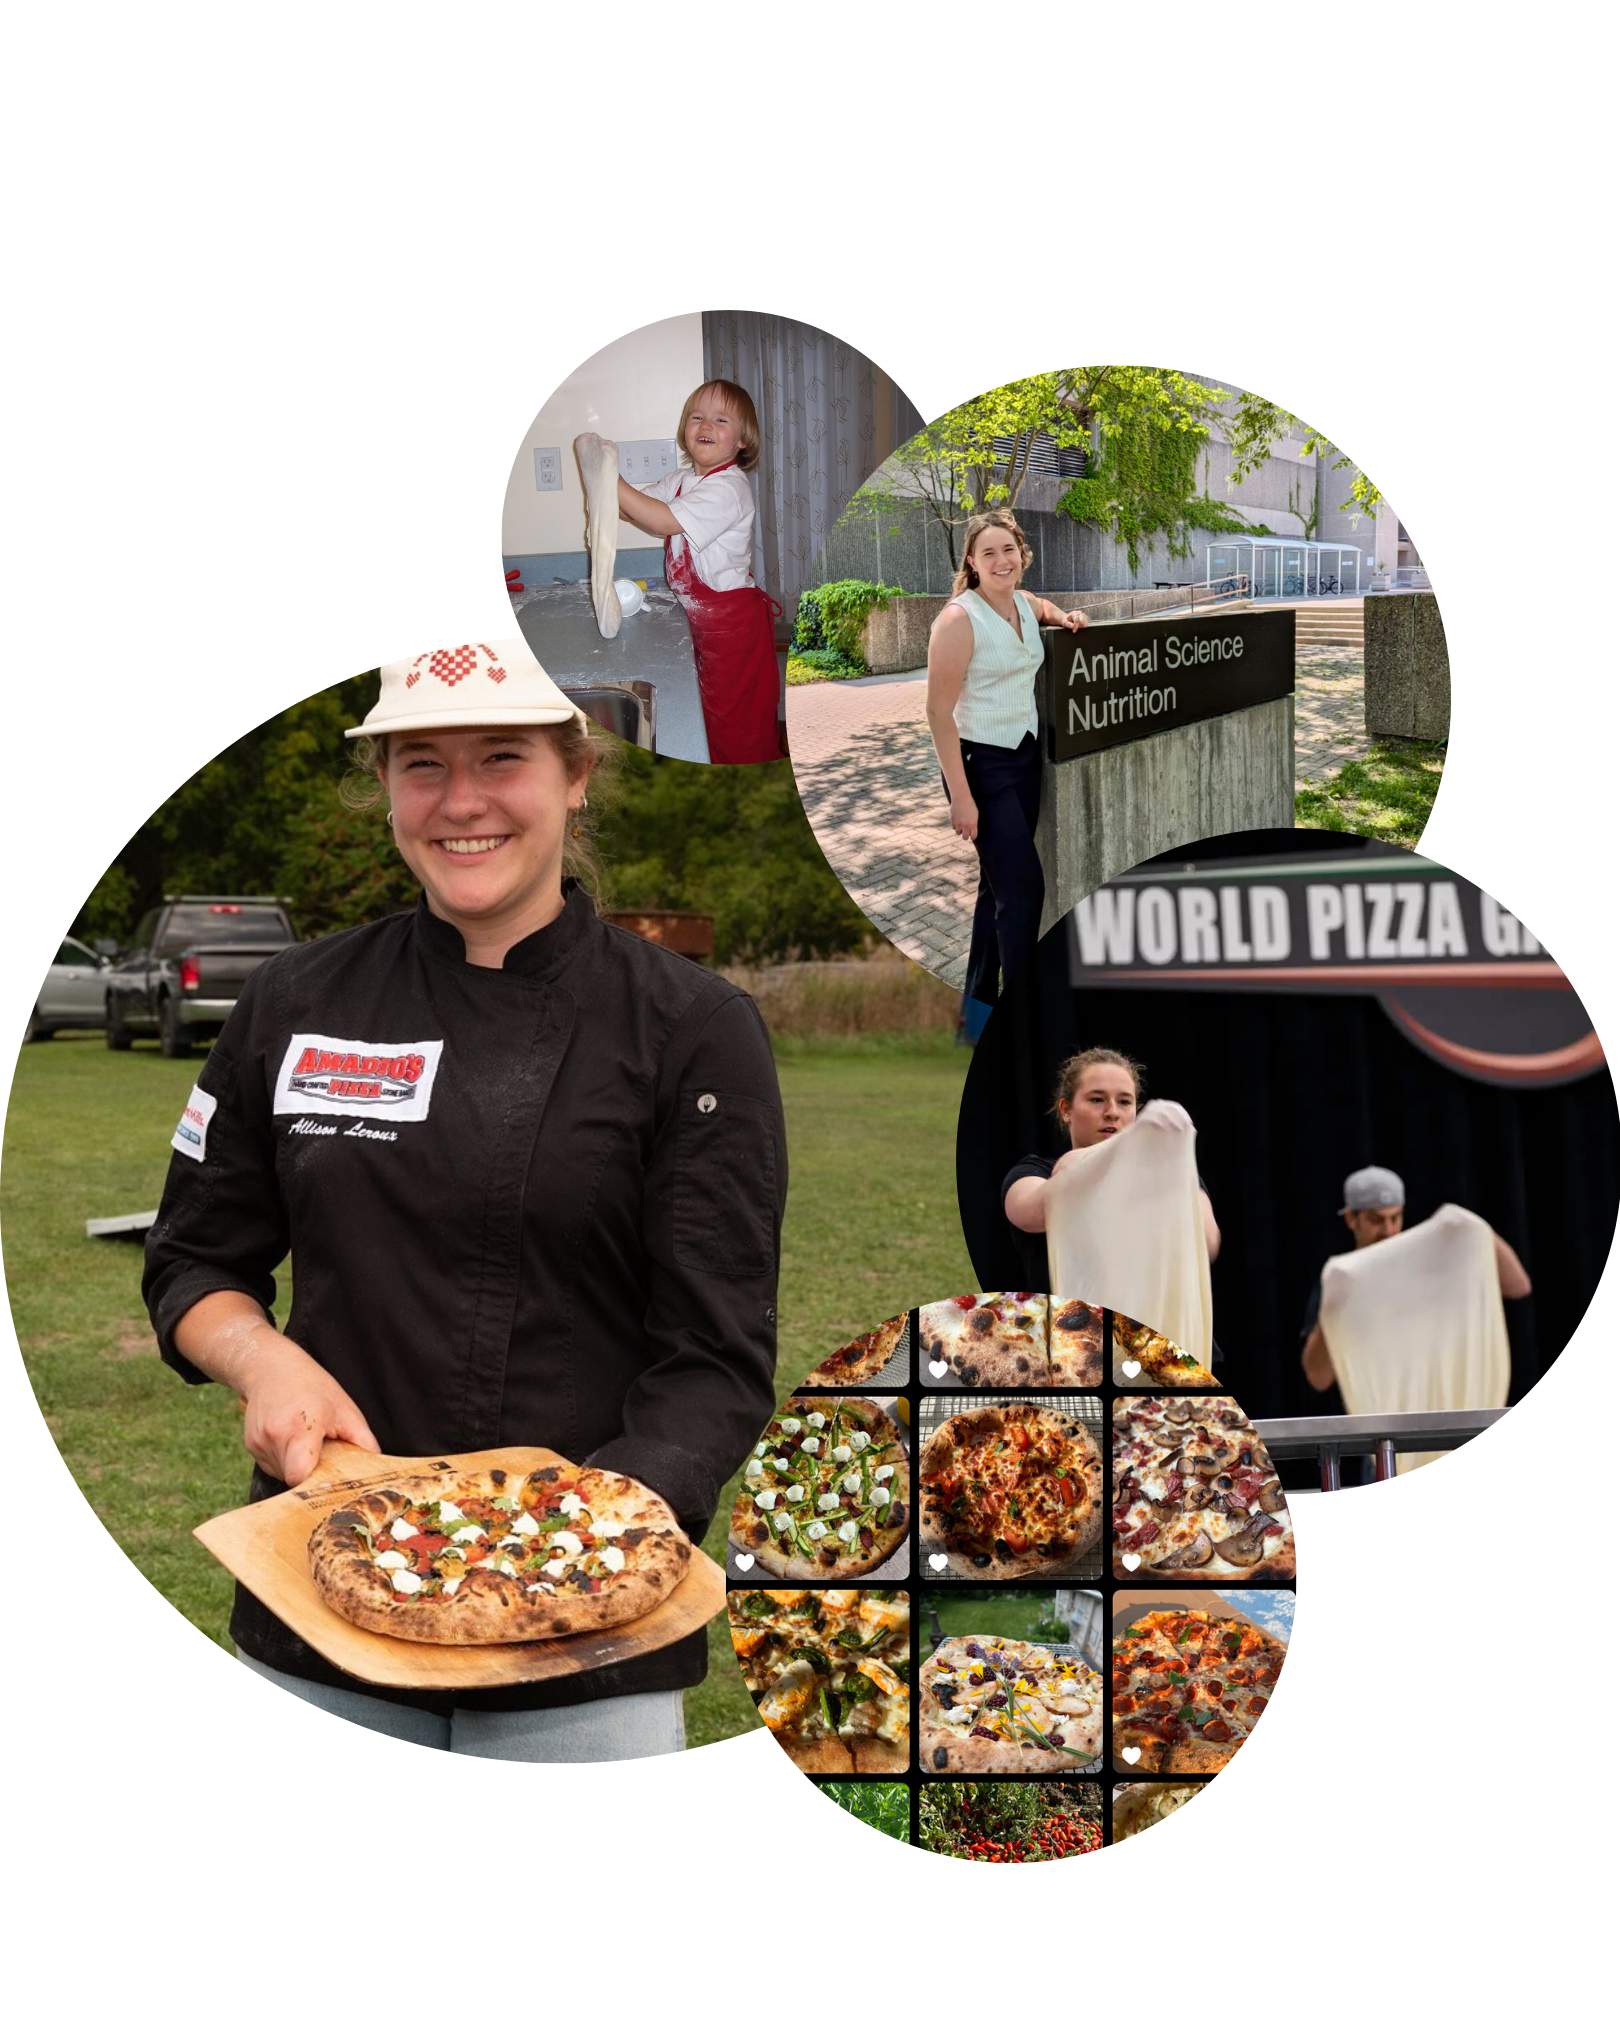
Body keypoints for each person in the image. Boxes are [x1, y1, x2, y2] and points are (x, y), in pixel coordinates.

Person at [143, 637, 788, 1760]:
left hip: (586, 1633)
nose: (461, 803)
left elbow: (715, 1358)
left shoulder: (692, 1029)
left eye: (501, 758)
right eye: (422, 766)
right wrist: (264, 1360)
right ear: (385, 786)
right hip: (326, 1594)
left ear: (576, 773)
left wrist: (563, 1545)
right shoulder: (294, 999)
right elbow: (193, 1261)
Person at [925, 510, 1087, 1008]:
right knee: (1023, 891)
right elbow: (937, 713)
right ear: (971, 562)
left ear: (1022, 555)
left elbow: (1042, 607)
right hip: (979, 765)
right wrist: (961, 798)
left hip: (1024, 758)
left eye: (1009, 550)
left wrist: (1065, 618)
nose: (1001, 560)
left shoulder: (1020, 601)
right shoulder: (959, 618)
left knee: (995, 891)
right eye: (988, 553)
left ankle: (977, 1014)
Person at [612, 378, 782, 765]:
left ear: (742, 439)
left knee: (736, 722)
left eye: (720, 420)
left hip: (733, 627)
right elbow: (636, 509)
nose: (706, 426)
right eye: (697, 417)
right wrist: (607, 491)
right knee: (708, 716)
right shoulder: (681, 480)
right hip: (703, 622)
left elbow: (665, 520)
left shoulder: (729, 488)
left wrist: (611, 477)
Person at [1001, 1047, 1221, 1304]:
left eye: (1125, 1102)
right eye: (1097, 1099)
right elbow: (1030, 1211)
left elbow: (1205, 1243)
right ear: (1066, 1109)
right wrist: (1096, 1161)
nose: (1112, 1112)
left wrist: (1173, 1164)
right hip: (1075, 1335)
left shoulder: (1168, 1176)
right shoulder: (1035, 1172)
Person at [1300, 1166, 1531, 1393]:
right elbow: (1319, 1378)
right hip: (1376, 1420)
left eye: (1395, 1218)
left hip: (1445, 1412)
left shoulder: (1427, 1266)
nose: (1389, 1230)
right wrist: (1333, 1310)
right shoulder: (1339, 1281)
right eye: (1376, 1220)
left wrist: (1478, 1228)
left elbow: (1518, 1286)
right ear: (1351, 1219)